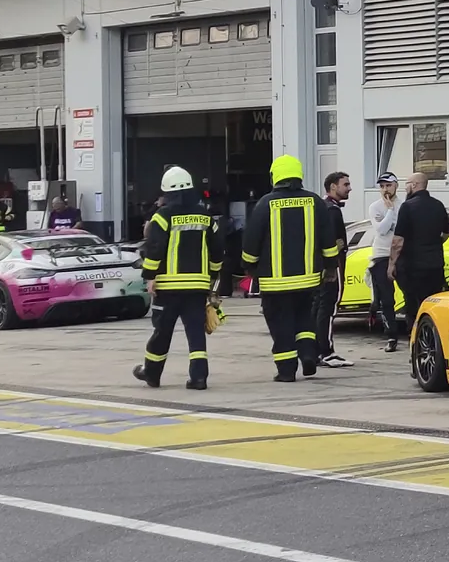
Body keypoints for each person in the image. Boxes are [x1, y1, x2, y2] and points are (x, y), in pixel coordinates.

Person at [241, 155, 339, 382]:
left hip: (274, 283)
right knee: (305, 319)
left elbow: (251, 240)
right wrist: (331, 268)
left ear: (276, 176)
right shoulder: (315, 202)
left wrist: (249, 266)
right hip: (308, 280)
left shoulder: (265, 203)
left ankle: (286, 370)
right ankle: (307, 355)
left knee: (280, 323)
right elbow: (328, 240)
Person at [133, 166, 225, 391]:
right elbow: (217, 251)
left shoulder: (162, 217)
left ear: (168, 192)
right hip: (197, 287)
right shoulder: (205, 216)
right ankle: (199, 378)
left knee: (162, 332)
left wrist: (150, 276)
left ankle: (152, 374)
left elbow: (155, 249)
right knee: (195, 332)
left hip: (168, 287)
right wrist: (212, 278)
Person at [388, 172, 449, 355]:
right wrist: (434, 244)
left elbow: (398, 240)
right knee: (433, 305)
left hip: (413, 267)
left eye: (407, 183)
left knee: (413, 307)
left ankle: (416, 346)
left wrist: (391, 264)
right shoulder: (438, 205)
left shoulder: (408, 207)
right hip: (435, 265)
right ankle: (434, 343)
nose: (405, 187)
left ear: (415, 185)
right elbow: (447, 232)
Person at [315, 171, 354, 369]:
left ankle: (317, 350)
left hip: (323, 265)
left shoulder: (322, 207)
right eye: (345, 184)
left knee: (321, 308)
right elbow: (332, 242)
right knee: (329, 307)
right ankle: (326, 351)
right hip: (333, 265)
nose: (349, 188)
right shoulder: (332, 210)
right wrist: (333, 266)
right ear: (333, 187)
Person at [367, 172, 402, 353]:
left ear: (396, 186)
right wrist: (389, 211)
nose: (385, 190)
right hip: (381, 255)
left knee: (410, 295)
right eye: (381, 186)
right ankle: (391, 336)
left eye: (388, 185)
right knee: (386, 299)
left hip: (402, 254)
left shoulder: (404, 205)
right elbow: (381, 230)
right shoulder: (376, 207)